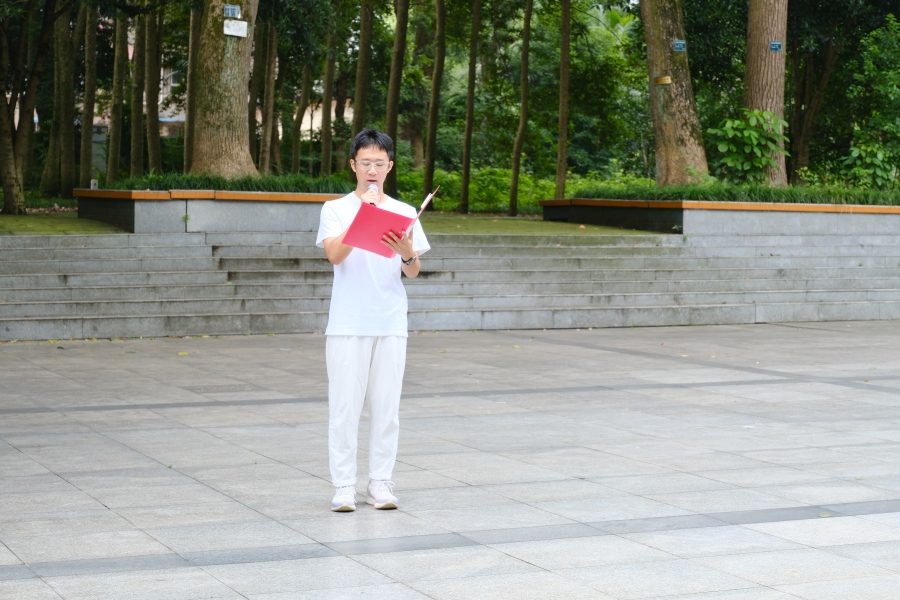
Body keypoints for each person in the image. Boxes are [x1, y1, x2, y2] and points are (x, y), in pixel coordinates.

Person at [315, 129, 430, 512]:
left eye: (379, 163)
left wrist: (407, 252)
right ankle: (344, 486)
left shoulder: (405, 211)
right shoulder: (335, 209)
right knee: (344, 409)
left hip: (390, 321)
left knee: (386, 409)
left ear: (390, 167)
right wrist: (364, 215)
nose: (372, 170)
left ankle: (380, 482)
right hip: (348, 322)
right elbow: (335, 255)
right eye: (365, 162)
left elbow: (412, 270)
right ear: (353, 165)